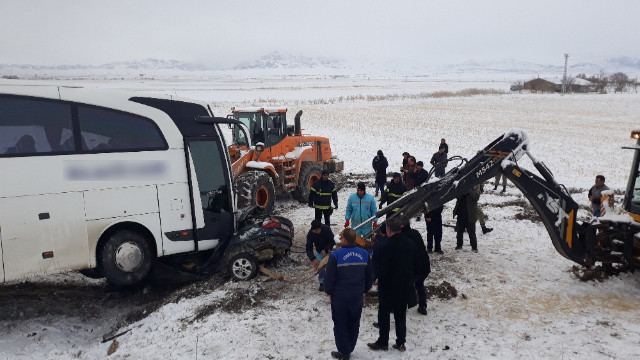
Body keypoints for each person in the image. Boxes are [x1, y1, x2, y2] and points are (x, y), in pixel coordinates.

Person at [367, 218, 417, 353]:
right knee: (400, 315)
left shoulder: (384, 246)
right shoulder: (410, 244)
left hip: (388, 286)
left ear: (388, 230)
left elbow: (378, 267)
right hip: (404, 285)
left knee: (384, 314)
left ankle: (383, 342)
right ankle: (401, 342)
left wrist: (373, 279)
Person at [324, 228, 374, 360]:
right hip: (357, 296)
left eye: (341, 238)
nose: (340, 240)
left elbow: (329, 277)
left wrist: (328, 291)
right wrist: (365, 290)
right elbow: (370, 275)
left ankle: (344, 351)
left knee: (340, 323)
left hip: (340, 297)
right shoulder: (364, 254)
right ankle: (350, 347)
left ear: (344, 240)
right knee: (354, 322)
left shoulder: (336, 255)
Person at [399, 215, 430, 316]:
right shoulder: (415, 232)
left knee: (403, 286)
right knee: (419, 284)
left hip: (415, 268)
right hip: (425, 266)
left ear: (402, 225)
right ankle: (423, 306)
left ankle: (400, 307)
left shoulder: (402, 237)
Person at [306, 219, 335, 292]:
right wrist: (313, 259)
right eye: (314, 231)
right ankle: (322, 283)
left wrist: (326, 249)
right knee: (320, 268)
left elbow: (332, 241)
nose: (316, 232)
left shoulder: (326, 229)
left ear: (320, 228)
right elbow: (308, 248)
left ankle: (331, 282)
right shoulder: (311, 234)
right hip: (319, 252)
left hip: (329, 251)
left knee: (330, 267)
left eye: (317, 230)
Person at [453, 186, 481, 252]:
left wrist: (468, 190)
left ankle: (474, 247)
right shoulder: (461, 187)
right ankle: (459, 245)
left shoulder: (475, 187)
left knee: (471, 232)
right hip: (461, 214)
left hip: (470, 215)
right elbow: (456, 196)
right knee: (459, 231)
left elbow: (476, 197)